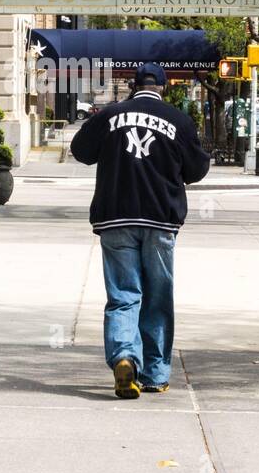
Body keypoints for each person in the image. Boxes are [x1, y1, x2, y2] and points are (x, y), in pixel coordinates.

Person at [70, 63, 210, 398]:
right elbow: (197, 169)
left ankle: (124, 357)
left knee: (123, 295)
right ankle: (155, 374)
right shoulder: (178, 120)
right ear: (163, 86)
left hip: (115, 218)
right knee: (158, 297)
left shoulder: (110, 116)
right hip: (161, 219)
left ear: (133, 86)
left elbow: (80, 151)